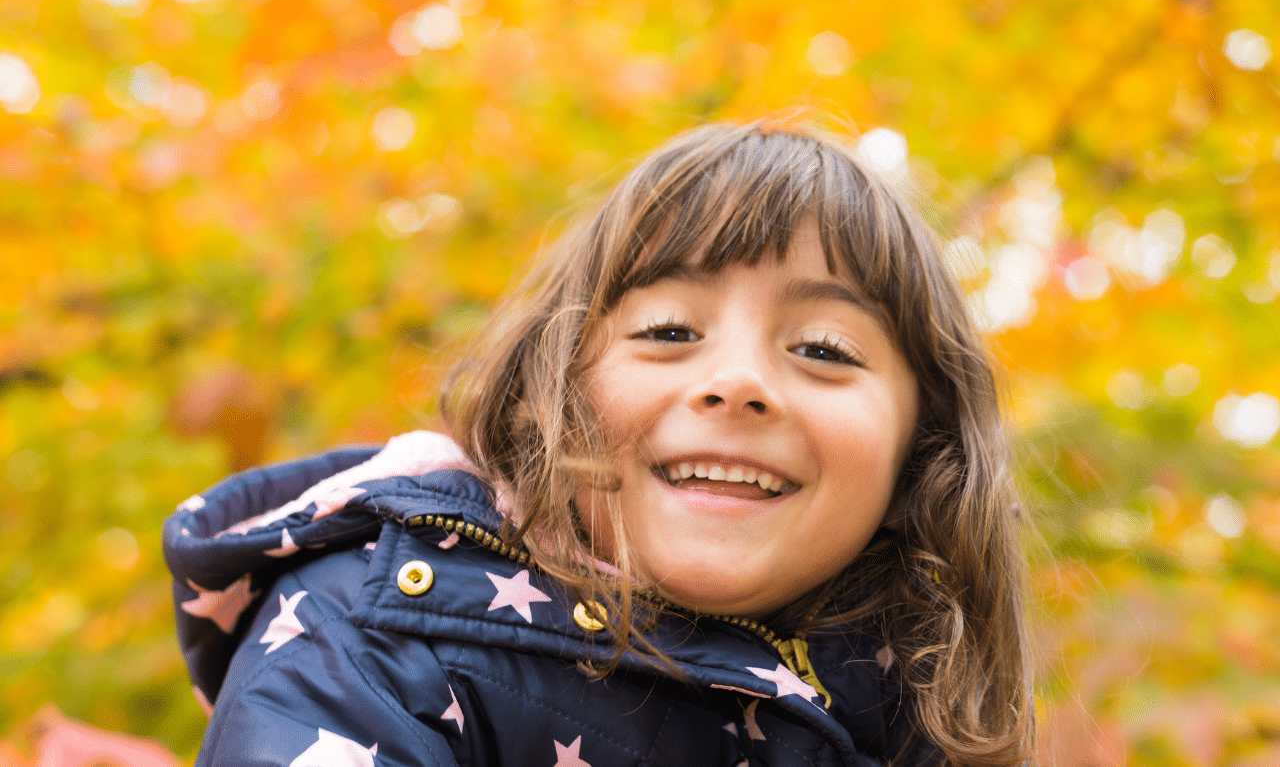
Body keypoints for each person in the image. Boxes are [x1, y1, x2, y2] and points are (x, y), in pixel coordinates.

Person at [163, 120, 1033, 767]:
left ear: (922, 453)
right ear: (550, 396)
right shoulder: (371, 636)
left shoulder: (917, 716)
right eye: (668, 330)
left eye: (824, 349)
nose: (739, 380)